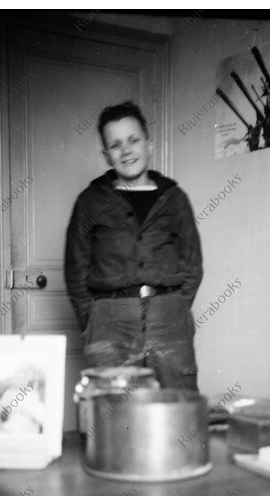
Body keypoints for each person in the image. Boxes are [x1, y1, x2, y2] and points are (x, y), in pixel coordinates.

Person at [65, 101, 203, 391]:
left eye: (133, 140)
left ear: (149, 144)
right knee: (114, 416)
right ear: (106, 155)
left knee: (176, 409)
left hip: (169, 321)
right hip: (109, 322)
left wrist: (173, 306)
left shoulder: (175, 199)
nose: (126, 151)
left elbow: (192, 266)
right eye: (115, 145)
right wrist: (93, 321)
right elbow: (76, 271)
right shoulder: (89, 202)